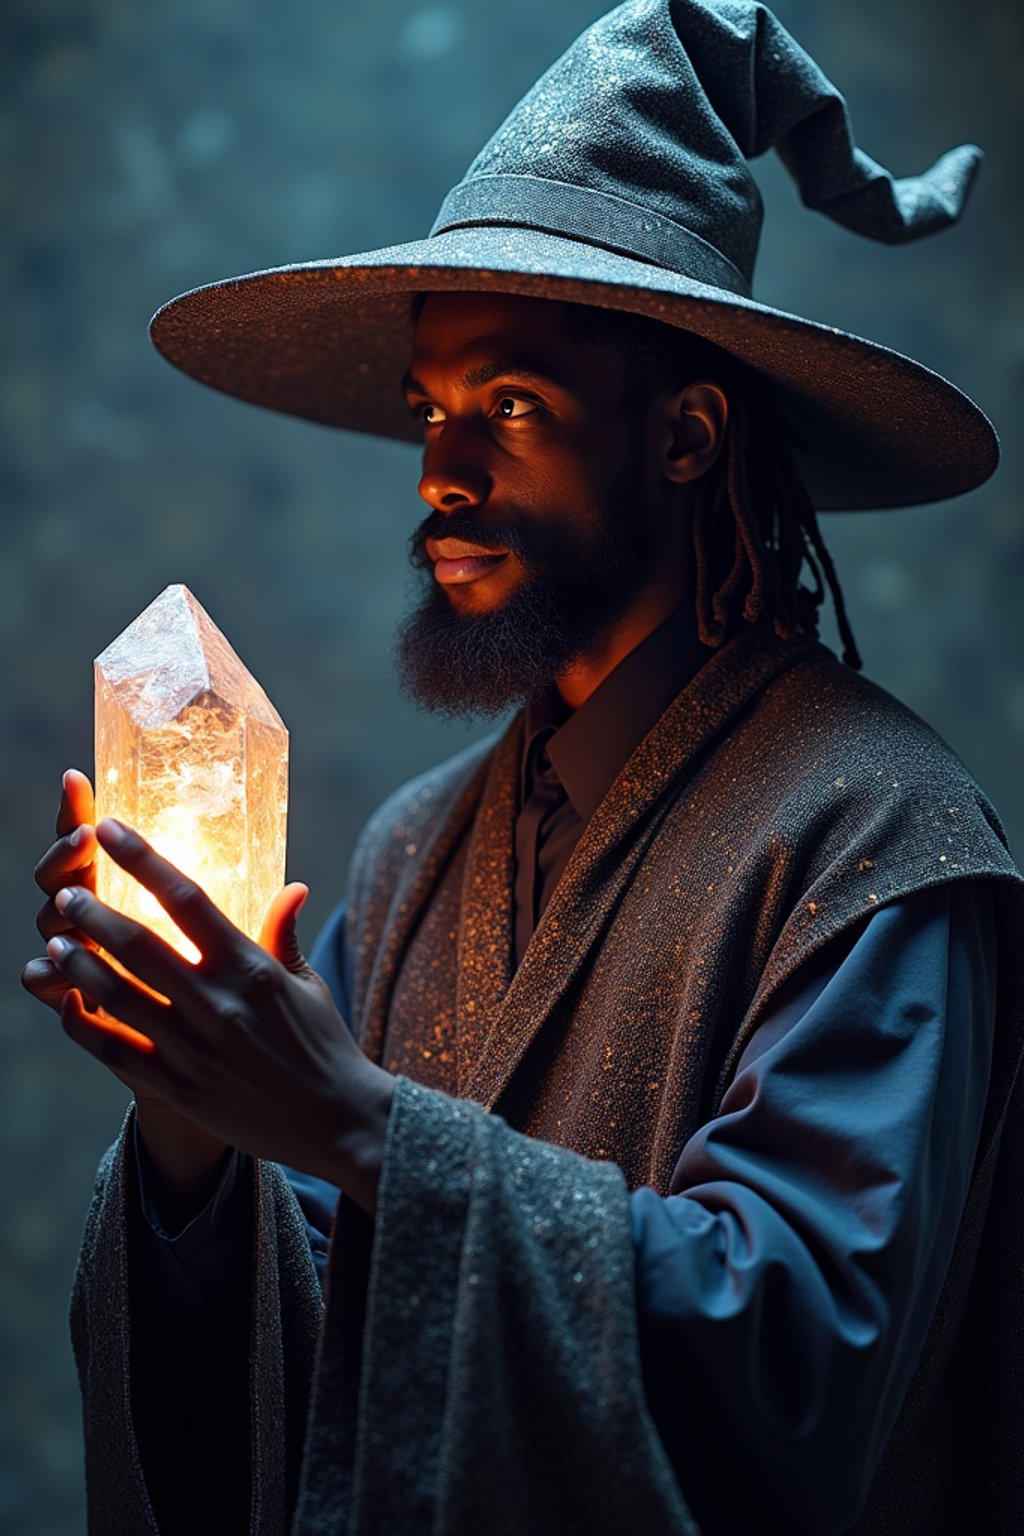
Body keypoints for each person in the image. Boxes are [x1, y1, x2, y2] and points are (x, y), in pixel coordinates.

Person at [21, 3, 1024, 1533]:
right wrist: (196, 1116)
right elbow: (313, 1350)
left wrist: (354, 1121)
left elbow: (803, 1358)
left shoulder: (877, 838)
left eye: (509, 408)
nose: (439, 472)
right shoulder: (419, 850)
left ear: (685, 437)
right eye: (429, 412)